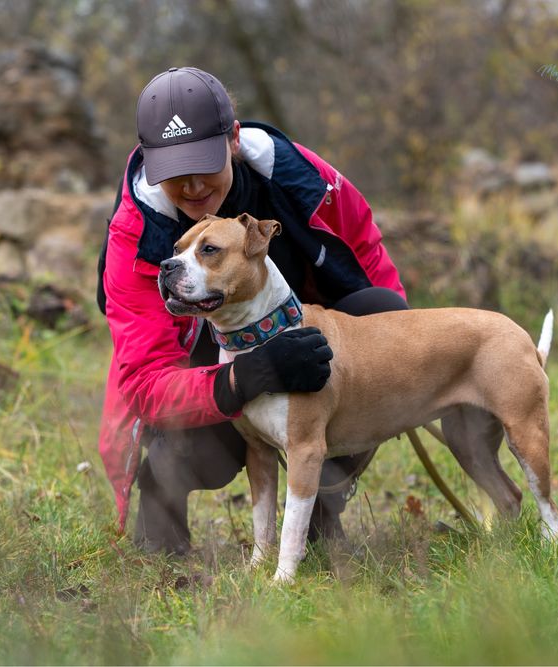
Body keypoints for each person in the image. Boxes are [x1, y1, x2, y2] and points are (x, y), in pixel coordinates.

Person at [96, 66, 407, 554]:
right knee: (196, 448)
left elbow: (364, 248)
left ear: (234, 139)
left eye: (204, 162)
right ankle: (161, 508)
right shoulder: (134, 232)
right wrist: (246, 377)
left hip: (310, 332)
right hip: (197, 368)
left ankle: (321, 503)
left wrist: (404, 355)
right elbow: (144, 382)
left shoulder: (299, 176)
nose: (194, 185)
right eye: (175, 172)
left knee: (381, 313)